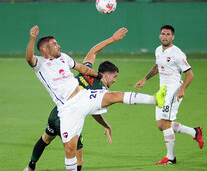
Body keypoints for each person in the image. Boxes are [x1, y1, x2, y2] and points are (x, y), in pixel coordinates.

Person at [25, 25, 166, 171]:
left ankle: (154, 99)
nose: (59, 45)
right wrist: (32, 38)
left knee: (114, 96)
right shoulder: (40, 63)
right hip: (66, 109)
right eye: (55, 44)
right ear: (45, 50)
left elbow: (82, 68)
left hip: (83, 96)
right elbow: (29, 57)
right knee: (70, 150)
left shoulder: (64, 58)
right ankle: (31, 166)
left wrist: (96, 74)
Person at [24, 27, 126, 171]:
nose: (115, 80)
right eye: (115, 77)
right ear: (107, 75)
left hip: (56, 112)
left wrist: (112, 39)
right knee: (78, 157)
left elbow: (92, 52)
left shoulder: (87, 73)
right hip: (69, 114)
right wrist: (106, 125)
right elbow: (96, 113)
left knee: (46, 138)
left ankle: (30, 166)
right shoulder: (101, 91)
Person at [134, 25, 204, 165]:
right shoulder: (158, 50)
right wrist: (145, 79)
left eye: (168, 34)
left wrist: (182, 89)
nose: (165, 36)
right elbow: (157, 67)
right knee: (161, 125)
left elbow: (190, 74)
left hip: (174, 91)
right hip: (162, 92)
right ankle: (194, 132)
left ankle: (170, 157)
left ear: (173, 37)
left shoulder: (177, 53)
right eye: (163, 34)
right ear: (159, 36)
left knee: (165, 123)